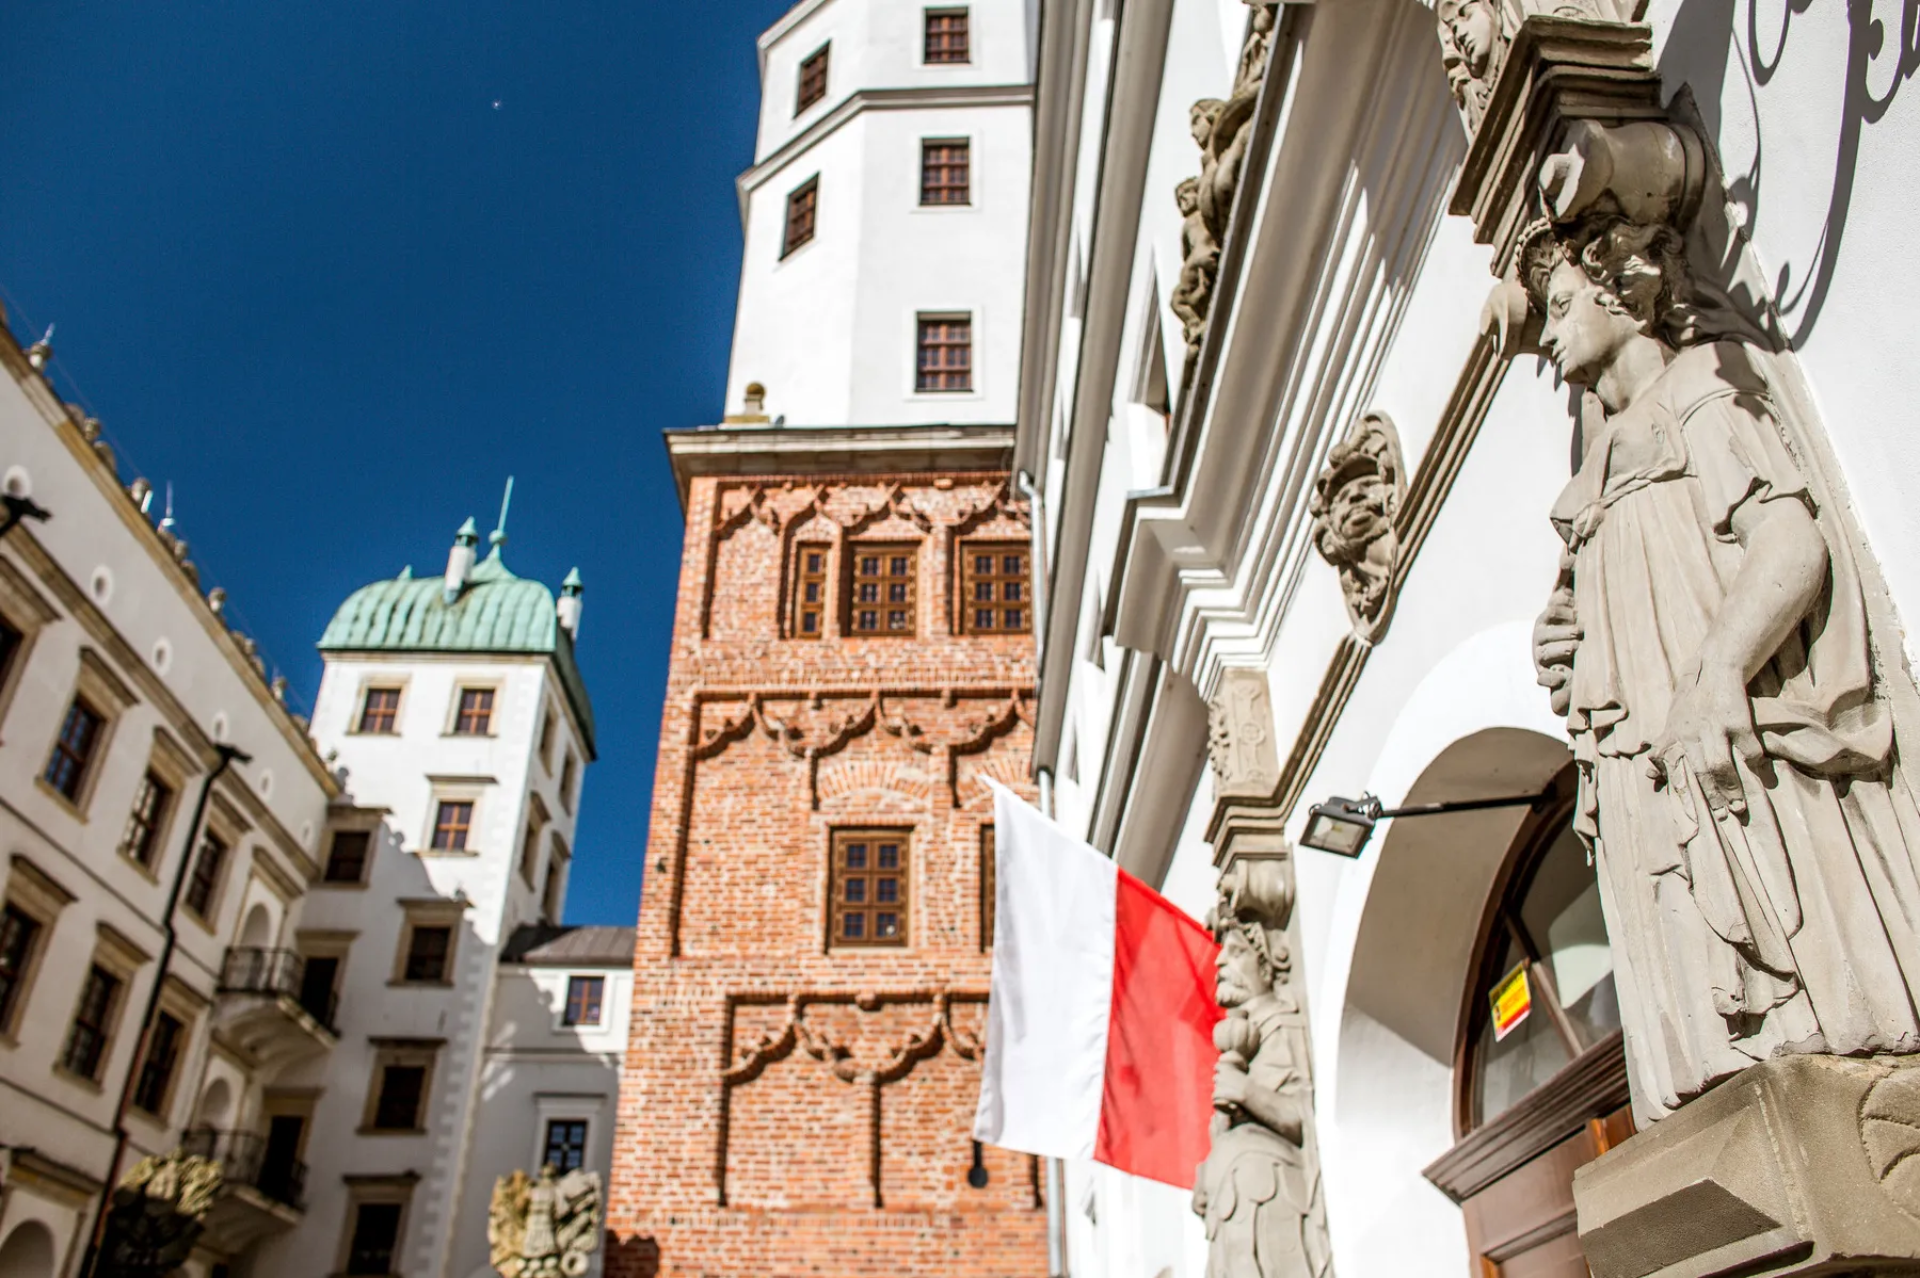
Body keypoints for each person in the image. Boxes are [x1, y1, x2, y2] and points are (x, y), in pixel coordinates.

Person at [1525, 216, 1920, 1121]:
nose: (1547, 337)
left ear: (1621, 289)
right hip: (1639, 756)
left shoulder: (1701, 388)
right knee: (1681, 949)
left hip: (1715, 728)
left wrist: (1720, 670)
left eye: (1558, 306)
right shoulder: (1600, 456)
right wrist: (1564, 645)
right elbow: (1599, 612)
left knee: (1771, 938)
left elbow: (1788, 539)